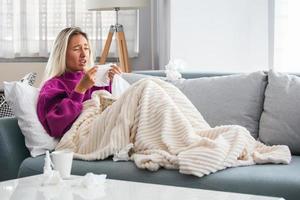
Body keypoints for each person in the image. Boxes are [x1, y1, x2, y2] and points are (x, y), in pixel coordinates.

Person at [37, 27, 121, 138]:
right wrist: (80, 89)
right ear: (62, 53)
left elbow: (114, 107)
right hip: (87, 136)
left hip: (111, 128)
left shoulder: (99, 78)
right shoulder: (53, 86)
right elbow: (55, 127)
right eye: (76, 49)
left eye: (86, 48)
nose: (83, 54)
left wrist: (117, 82)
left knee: (145, 86)